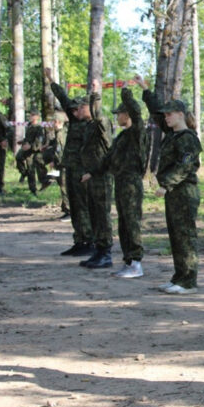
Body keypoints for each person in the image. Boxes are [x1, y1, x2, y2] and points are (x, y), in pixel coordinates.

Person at [135, 74, 203, 294]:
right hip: (174, 192)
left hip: (184, 191)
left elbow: (185, 166)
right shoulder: (172, 134)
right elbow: (156, 111)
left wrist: (165, 183)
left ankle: (189, 281)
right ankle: (179, 276)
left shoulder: (187, 137)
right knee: (175, 235)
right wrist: (145, 89)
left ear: (180, 115)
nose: (165, 118)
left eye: (170, 114)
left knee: (185, 236)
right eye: (165, 116)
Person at [88, 87, 148, 278]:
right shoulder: (122, 136)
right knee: (123, 222)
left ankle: (137, 262)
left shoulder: (137, 132)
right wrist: (93, 172)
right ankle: (129, 260)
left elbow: (137, 114)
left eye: (119, 114)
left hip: (131, 182)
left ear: (127, 114)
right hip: (120, 181)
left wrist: (126, 94)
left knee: (132, 222)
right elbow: (108, 159)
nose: (117, 117)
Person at [46, 68, 94, 256]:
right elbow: (63, 98)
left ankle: (89, 241)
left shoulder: (92, 124)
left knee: (83, 206)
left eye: (78, 108)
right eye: (73, 109)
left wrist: (94, 93)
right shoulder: (74, 122)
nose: (74, 112)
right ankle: (79, 240)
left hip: (84, 170)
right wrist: (52, 79)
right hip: (71, 169)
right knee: (73, 205)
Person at [78, 79, 114, 269]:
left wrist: (95, 95)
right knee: (93, 214)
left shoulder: (102, 123)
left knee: (102, 215)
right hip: (91, 176)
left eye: (83, 107)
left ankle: (106, 253)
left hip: (101, 176)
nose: (80, 111)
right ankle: (98, 250)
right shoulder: (90, 126)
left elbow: (99, 114)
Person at [41, 112, 72, 220]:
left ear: (57, 122)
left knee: (64, 187)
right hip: (61, 164)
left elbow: (60, 150)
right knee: (61, 185)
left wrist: (55, 161)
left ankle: (69, 211)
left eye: (53, 122)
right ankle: (65, 208)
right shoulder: (60, 133)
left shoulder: (61, 134)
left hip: (62, 164)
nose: (52, 124)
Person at [15, 108, 46, 196]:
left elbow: (39, 141)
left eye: (32, 115)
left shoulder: (39, 128)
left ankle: (33, 190)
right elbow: (28, 138)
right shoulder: (29, 126)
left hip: (33, 150)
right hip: (26, 148)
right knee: (18, 158)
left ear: (37, 117)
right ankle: (23, 173)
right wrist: (22, 142)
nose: (30, 117)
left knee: (31, 169)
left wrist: (31, 146)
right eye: (30, 115)